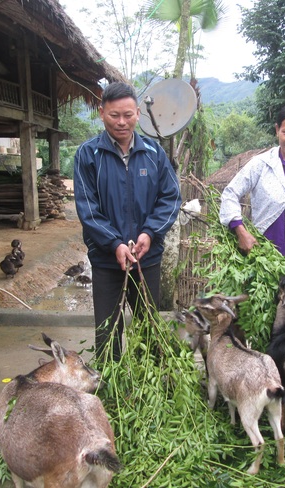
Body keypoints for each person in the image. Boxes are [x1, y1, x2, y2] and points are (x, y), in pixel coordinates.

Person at [74, 82, 181, 360]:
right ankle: (111, 387)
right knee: (107, 333)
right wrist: (115, 244)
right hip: (107, 261)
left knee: (148, 328)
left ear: (137, 114)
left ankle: (149, 388)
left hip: (147, 259)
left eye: (128, 115)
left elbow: (170, 198)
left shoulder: (154, 153)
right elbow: (87, 209)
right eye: (114, 115)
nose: (122, 122)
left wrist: (149, 233)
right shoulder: (88, 155)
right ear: (101, 113)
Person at [219, 100, 285, 273]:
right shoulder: (260, 165)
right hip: (260, 255)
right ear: (277, 130)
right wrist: (241, 231)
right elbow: (230, 193)